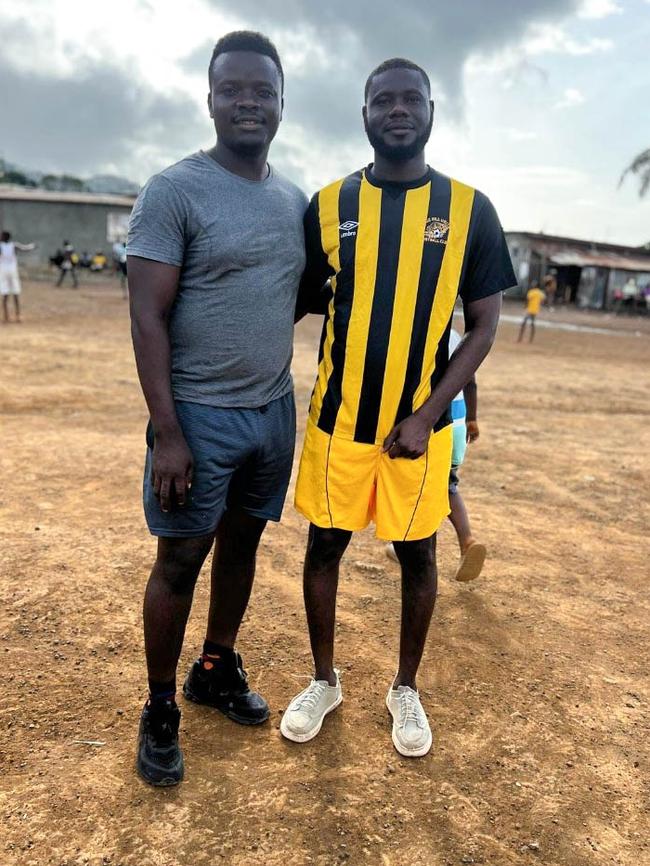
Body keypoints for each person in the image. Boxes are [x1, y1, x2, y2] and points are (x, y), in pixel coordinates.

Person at [282, 58, 515, 757]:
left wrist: (430, 414)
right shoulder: (328, 206)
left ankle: (404, 688)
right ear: (364, 116)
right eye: (382, 100)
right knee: (324, 547)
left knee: (418, 556)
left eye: (410, 98)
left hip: (420, 432)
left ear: (431, 112)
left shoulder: (470, 210)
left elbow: (485, 323)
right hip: (337, 422)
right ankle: (324, 680)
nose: (397, 109)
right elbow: (292, 301)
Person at [127, 30, 307, 787]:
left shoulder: (292, 199)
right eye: (232, 89)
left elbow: (291, 297)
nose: (247, 102)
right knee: (180, 559)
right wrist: (168, 432)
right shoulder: (174, 191)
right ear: (209, 100)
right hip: (196, 417)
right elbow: (146, 316)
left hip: (272, 411)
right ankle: (161, 706)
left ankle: (213, 667)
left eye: (261, 91)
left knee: (243, 546)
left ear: (280, 104)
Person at [385, 328, 486, 582]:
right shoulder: (458, 337)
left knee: (412, 484)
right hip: (459, 420)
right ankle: (467, 540)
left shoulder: (419, 329)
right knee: (447, 487)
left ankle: (405, 546)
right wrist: (472, 419)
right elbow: (470, 381)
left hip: (431, 421)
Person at [0, 230, 35, 323]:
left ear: (4, 237)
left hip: (3, 271)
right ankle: (18, 315)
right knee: (15, 293)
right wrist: (32, 246)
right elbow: (25, 248)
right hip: (12, 271)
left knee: (5, 294)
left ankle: (6, 316)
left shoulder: (1, 246)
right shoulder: (14, 245)